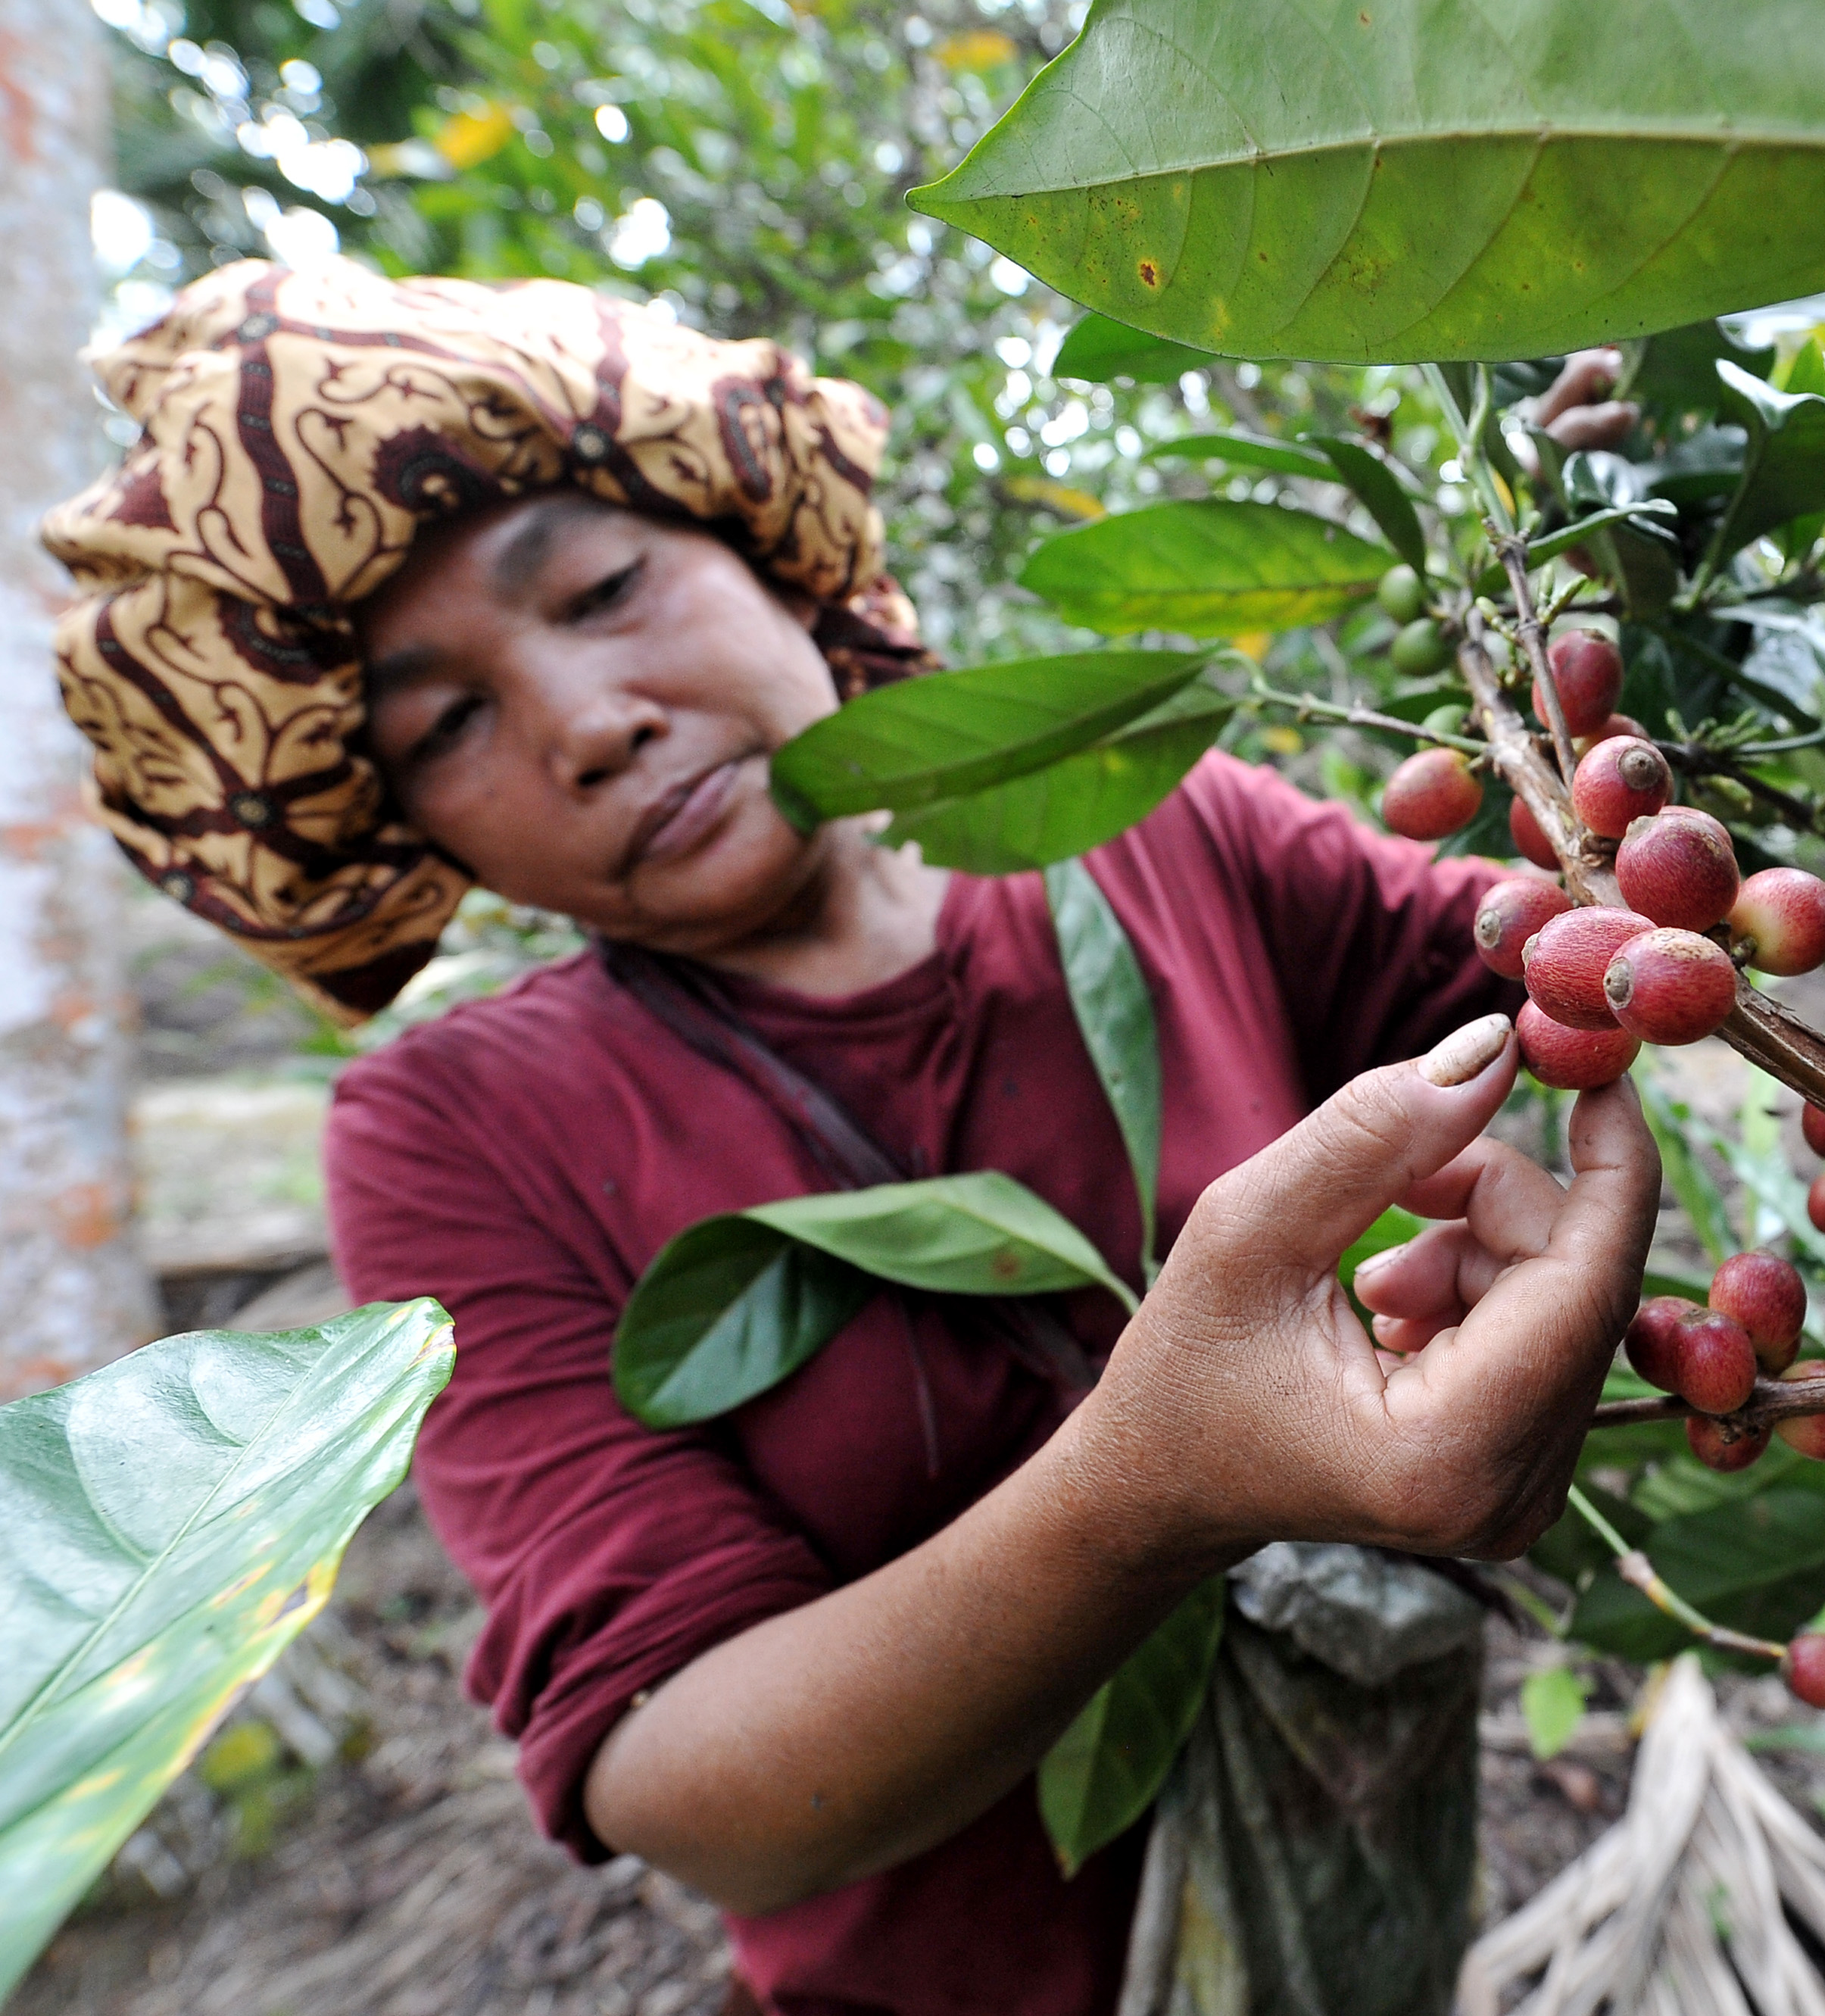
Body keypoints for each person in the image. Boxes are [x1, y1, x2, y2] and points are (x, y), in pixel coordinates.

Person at [42, 263, 1658, 2016]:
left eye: (600, 586)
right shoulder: (460, 1127)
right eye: (445, 721)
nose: (588, 723)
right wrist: (1152, 1484)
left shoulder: (1142, 823)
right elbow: (688, 1783)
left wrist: (1577, 623)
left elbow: (1556, 948)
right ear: (402, 822)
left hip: (1366, 1909)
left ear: (764, 543)